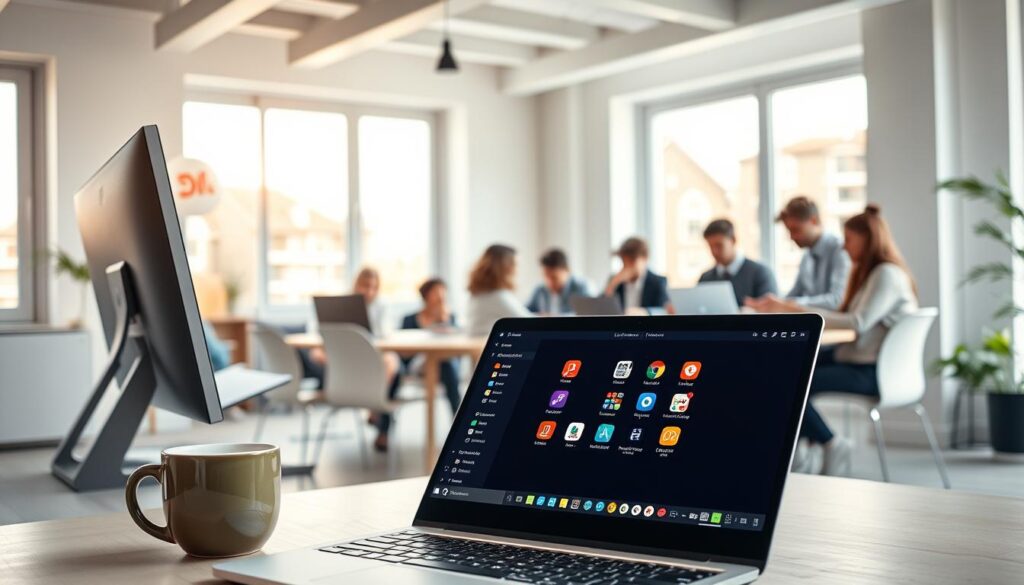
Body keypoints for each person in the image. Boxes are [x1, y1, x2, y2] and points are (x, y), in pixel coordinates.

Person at [749, 204, 918, 475]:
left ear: (868, 239)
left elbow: (857, 322)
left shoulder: (885, 274)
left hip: (872, 371)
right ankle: (803, 448)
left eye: (849, 240)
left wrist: (800, 311)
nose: (844, 247)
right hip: (860, 358)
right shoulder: (875, 273)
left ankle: (830, 443)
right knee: (786, 370)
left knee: (790, 380)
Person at [375, 278, 461, 452]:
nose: (440, 296)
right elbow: (401, 350)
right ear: (426, 295)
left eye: (442, 292)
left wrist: (444, 320)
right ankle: (383, 431)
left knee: (447, 365)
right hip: (415, 365)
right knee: (393, 371)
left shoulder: (450, 317)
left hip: (440, 366)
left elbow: (456, 348)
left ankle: (460, 427)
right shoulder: (409, 319)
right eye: (435, 292)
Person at [747, 196, 850, 311]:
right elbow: (795, 294)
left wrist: (788, 304)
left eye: (796, 230)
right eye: (789, 231)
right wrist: (769, 304)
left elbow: (837, 300)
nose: (791, 237)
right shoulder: (807, 256)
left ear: (814, 221)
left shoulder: (841, 250)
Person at [698, 219, 777, 305]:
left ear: (733, 240)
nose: (714, 252)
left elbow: (770, 310)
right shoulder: (705, 278)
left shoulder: (760, 273)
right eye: (710, 246)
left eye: (719, 245)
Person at [466, 244, 532, 336]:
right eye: (516, 265)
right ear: (506, 267)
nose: (518, 270)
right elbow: (530, 322)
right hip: (487, 346)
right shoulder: (498, 297)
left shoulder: (478, 295)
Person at [604, 237, 669, 312]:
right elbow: (600, 309)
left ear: (645, 258)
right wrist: (612, 285)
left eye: (632, 262)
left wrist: (644, 312)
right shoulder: (617, 283)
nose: (627, 267)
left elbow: (663, 311)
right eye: (624, 262)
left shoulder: (657, 283)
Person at [526, 248, 591, 315]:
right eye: (546, 277)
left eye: (554, 278)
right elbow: (526, 312)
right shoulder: (540, 290)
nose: (549, 283)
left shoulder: (581, 287)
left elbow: (587, 314)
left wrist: (555, 317)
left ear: (567, 270)